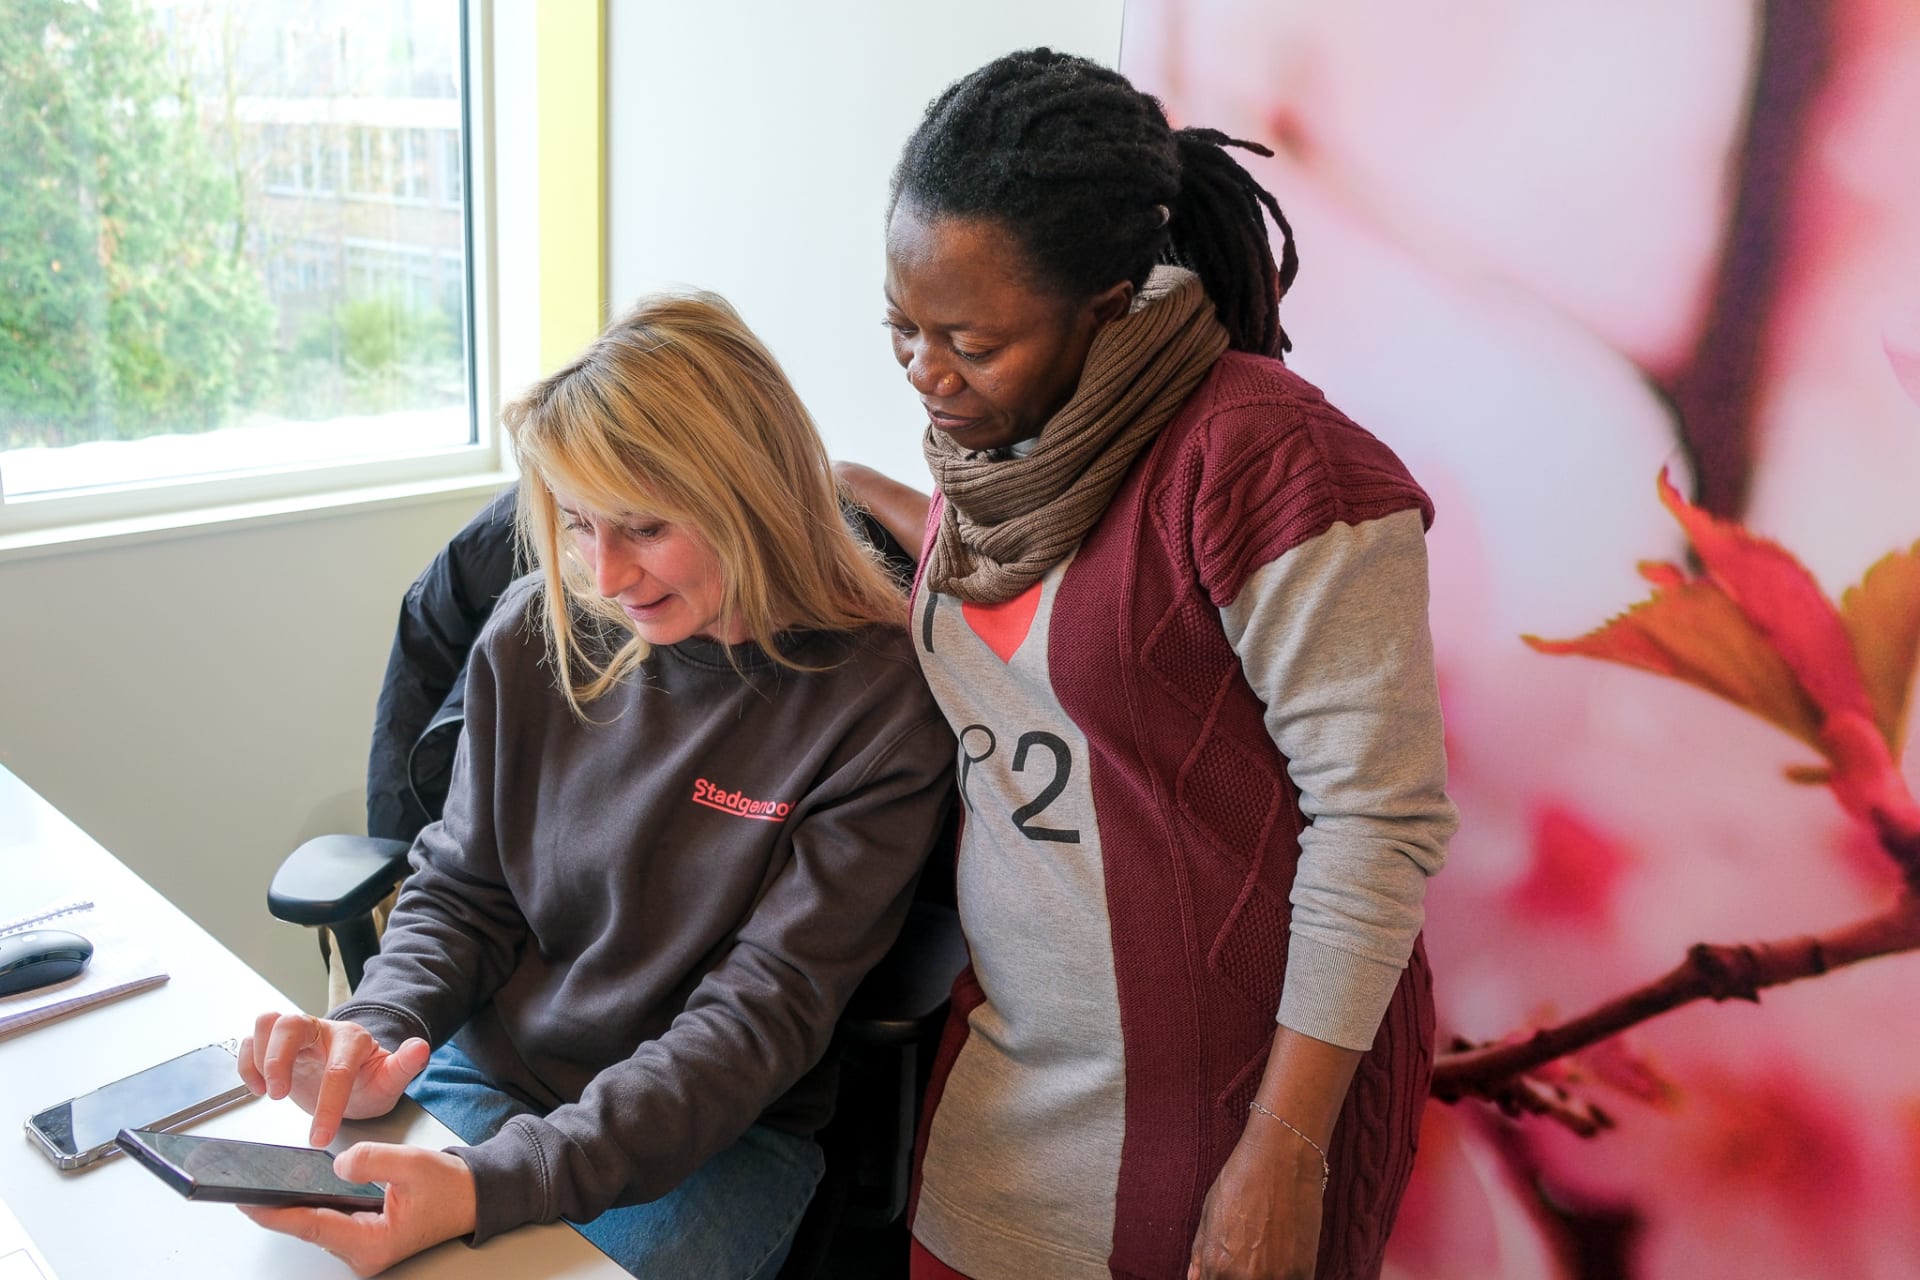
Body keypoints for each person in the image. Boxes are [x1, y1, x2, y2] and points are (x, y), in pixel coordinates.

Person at [835, 49, 1457, 1280]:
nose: (925, 373)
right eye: (901, 328)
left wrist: (1282, 1148)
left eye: (968, 339)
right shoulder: (1006, 456)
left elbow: (1375, 823)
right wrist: (850, 492)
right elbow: (1054, 612)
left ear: (1111, 304)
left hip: (1224, 1107)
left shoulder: (1274, 467)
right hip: (1011, 1073)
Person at [239, 291, 956, 1279]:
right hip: (488, 1077)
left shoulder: (877, 702)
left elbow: (755, 1017)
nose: (606, 572)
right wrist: (377, 1028)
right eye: (578, 523)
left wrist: (494, 1183)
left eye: (645, 527)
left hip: (704, 1139)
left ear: (752, 490)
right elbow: (462, 891)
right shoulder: (541, 628)